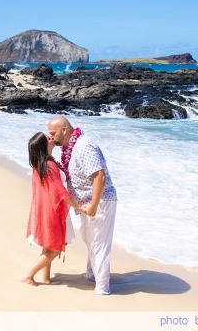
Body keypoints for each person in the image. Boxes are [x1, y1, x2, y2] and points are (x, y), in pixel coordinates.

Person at [47, 115, 117, 295]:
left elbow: (99, 177)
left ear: (64, 130)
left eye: (53, 133)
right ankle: (92, 273)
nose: (51, 137)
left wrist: (93, 206)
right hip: (86, 203)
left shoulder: (84, 146)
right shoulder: (70, 148)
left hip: (100, 201)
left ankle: (103, 286)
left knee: (98, 242)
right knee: (89, 238)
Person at [24, 131, 81, 286]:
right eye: (49, 138)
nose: (52, 139)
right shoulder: (49, 165)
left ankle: (46, 278)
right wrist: (77, 206)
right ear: (44, 146)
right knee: (56, 248)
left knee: (48, 245)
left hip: (44, 208)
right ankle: (29, 276)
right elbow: (58, 190)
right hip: (53, 210)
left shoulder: (40, 165)